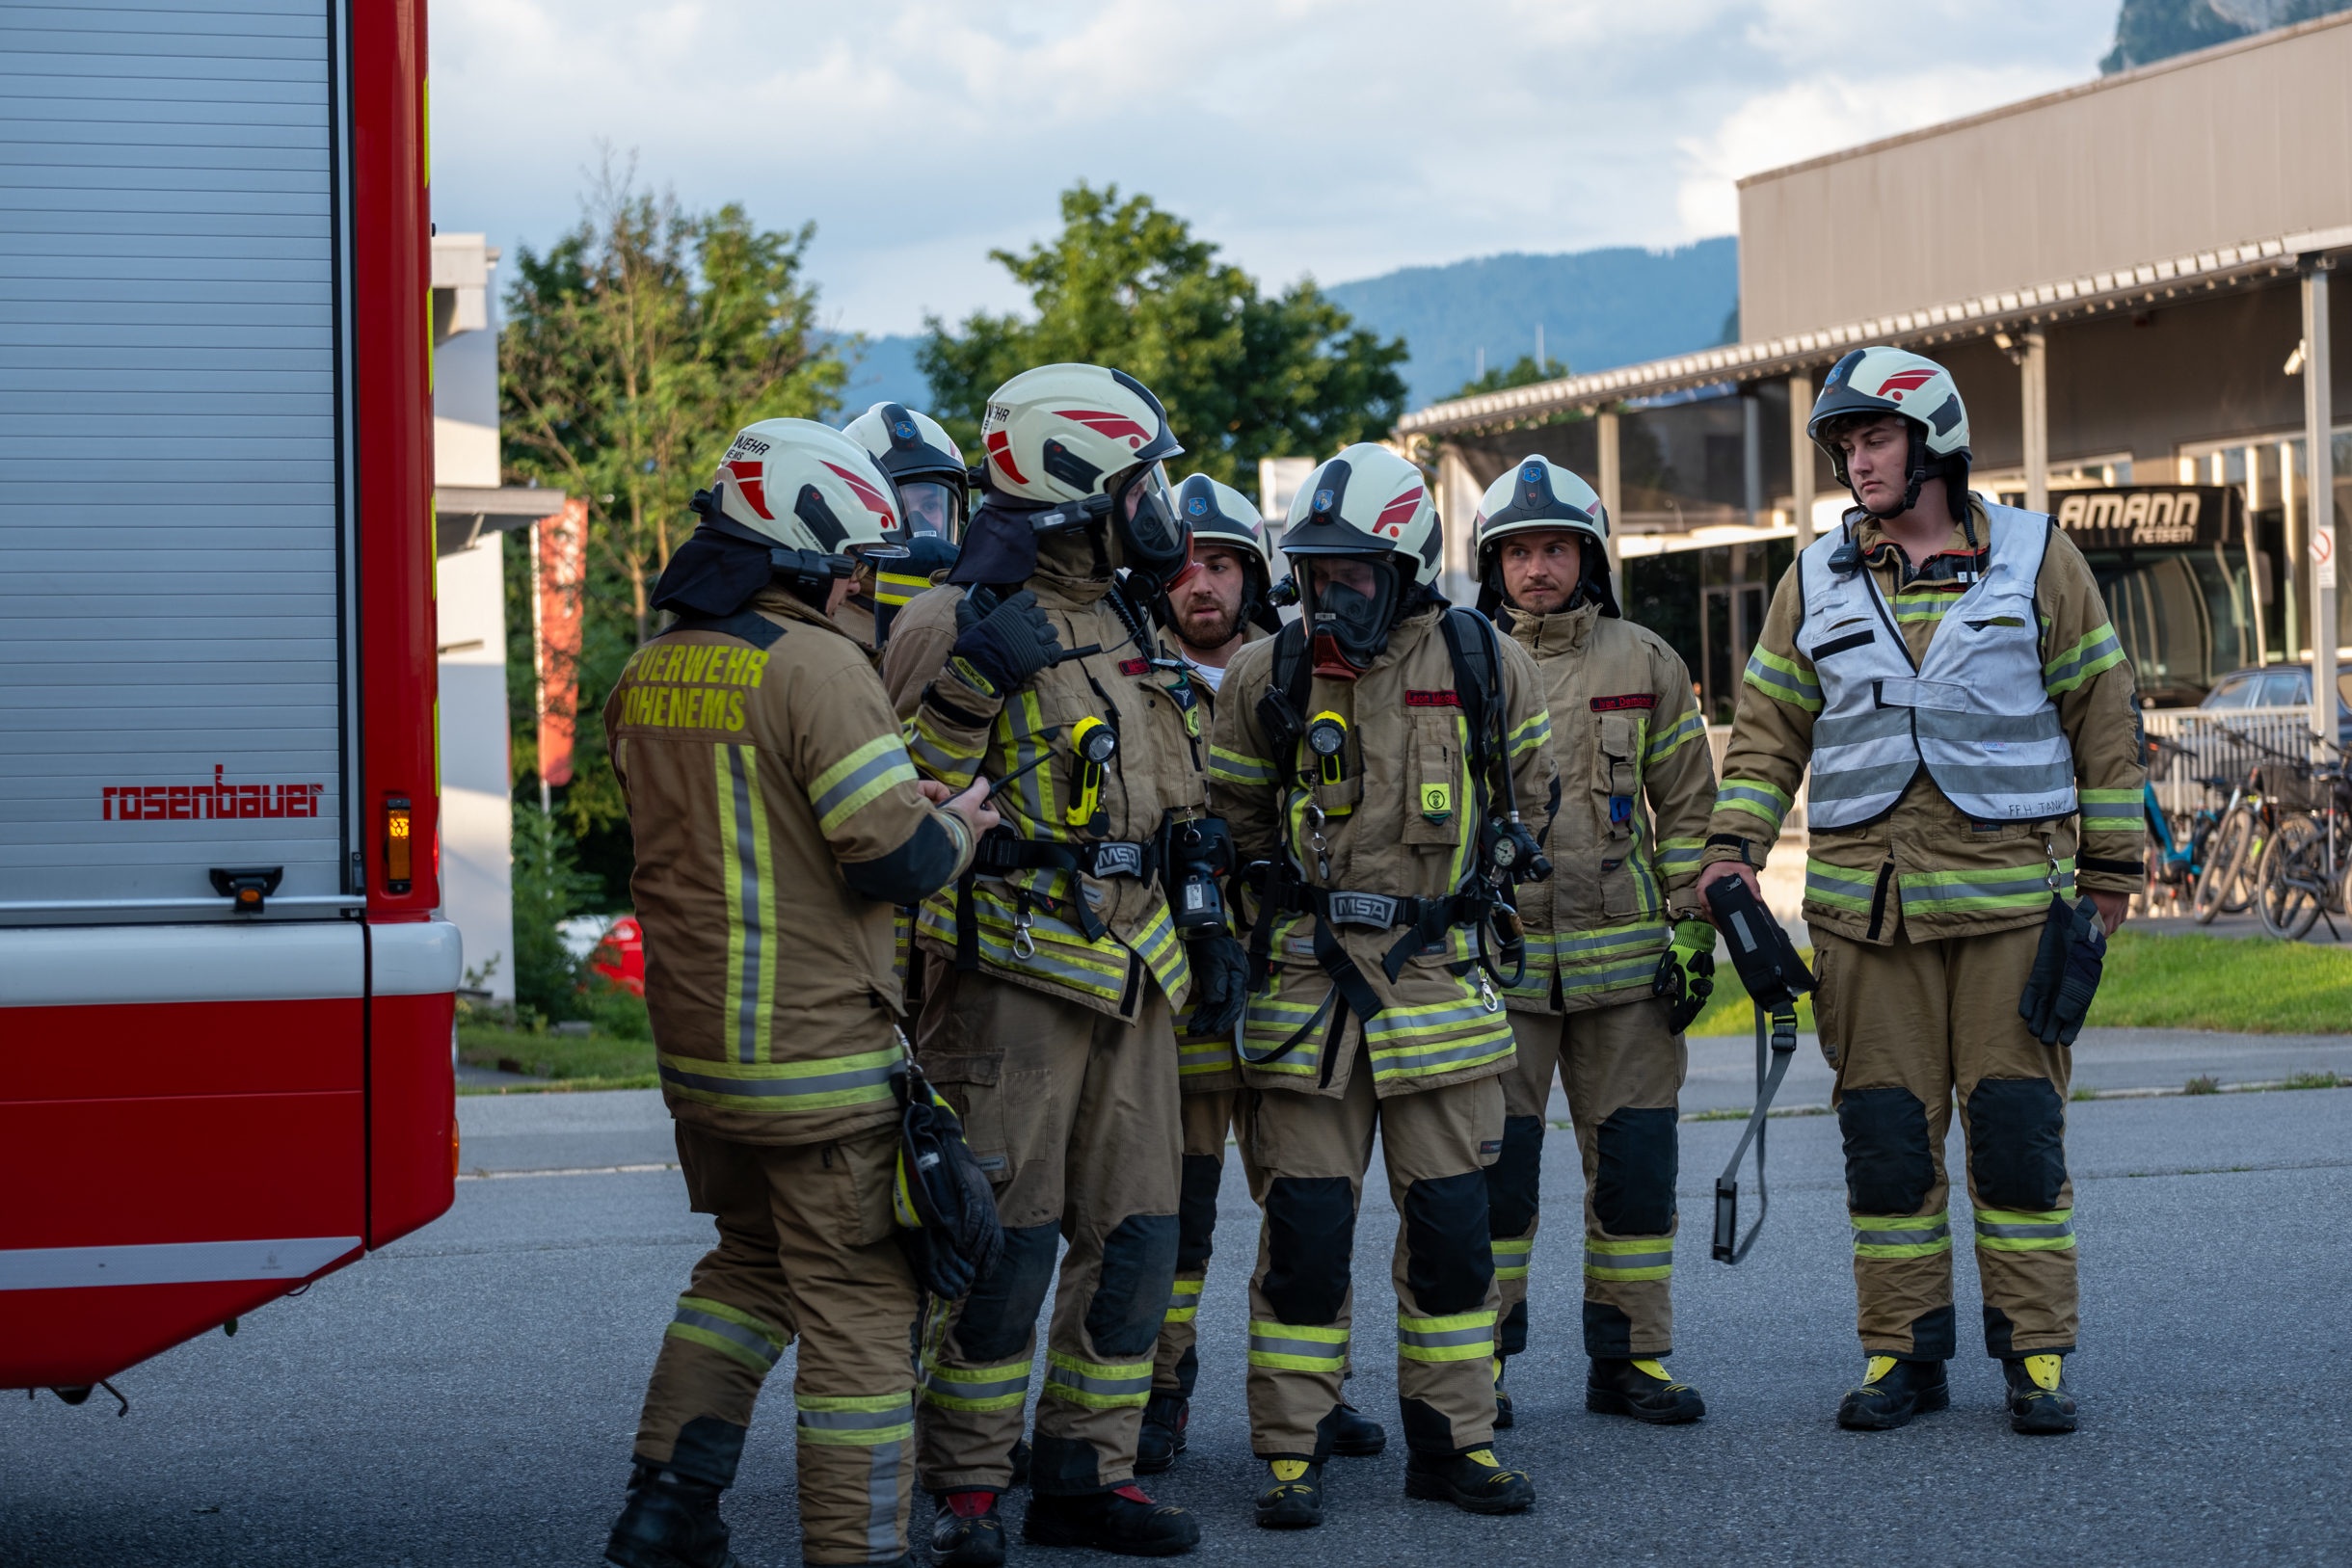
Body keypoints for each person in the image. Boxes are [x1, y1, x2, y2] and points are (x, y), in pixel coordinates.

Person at [1697, 347, 2145, 1436]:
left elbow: (2103, 715)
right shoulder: (1812, 577)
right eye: (1846, 446)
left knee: (2017, 1135)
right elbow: (1766, 731)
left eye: (1876, 438)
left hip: (2011, 908)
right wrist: (1731, 850)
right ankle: (1902, 1353)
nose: (1858, 462)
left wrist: (2111, 874)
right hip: (1868, 916)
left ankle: (2035, 1354)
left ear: (1934, 441)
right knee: (1888, 1142)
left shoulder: (2038, 556)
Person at [600, 417, 1001, 1568]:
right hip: (818, 1061)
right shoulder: (816, 666)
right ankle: (852, 1549)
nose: (864, 589)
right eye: (856, 567)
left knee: (749, 1268)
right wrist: (961, 826)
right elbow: (895, 858)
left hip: (706, 1064)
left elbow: (758, 825)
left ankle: (666, 1509)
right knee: (863, 1309)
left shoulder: (649, 669)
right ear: (805, 555)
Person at [880, 364, 1249, 1562]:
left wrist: (1206, 917)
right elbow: (895, 811)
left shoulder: (1131, 614)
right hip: (1010, 982)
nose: (1160, 507)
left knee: (1136, 1236)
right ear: (1077, 488)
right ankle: (967, 1487)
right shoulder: (951, 619)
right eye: (1142, 482)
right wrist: (968, 689)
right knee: (1008, 1240)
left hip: (1138, 974)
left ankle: (1088, 1472)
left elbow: (1172, 782)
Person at [1209, 443, 1555, 1528]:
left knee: (1453, 1235)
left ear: (1404, 567)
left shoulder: (1485, 659)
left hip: (1438, 991)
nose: (1331, 596)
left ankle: (1455, 1443)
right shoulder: (1265, 673)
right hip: (1305, 997)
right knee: (1305, 1237)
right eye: (1315, 575)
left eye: (1353, 573)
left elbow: (1531, 795)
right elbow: (1233, 824)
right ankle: (1291, 1448)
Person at [1135, 475, 1388, 1475]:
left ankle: (1317, 1396)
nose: (1202, 582)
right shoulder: (1125, 673)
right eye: (1184, 565)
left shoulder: (1310, 668)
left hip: (1292, 981)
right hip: (1185, 990)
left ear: (1255, 575)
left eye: (1224, 563)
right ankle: (1158, 1395)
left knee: (1309, 1205)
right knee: (1177, 1211)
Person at [1470, 456, 1718, 1429]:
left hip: (1629, 977)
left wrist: (1693, 929)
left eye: (1556, 549)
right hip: (1502, 973)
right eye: (1518, 552)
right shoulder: (1460, 661)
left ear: (1591, 558)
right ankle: (1477, 1366)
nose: (1537, 568)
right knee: (1494, 1175)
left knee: (1636, 1169)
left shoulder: (1645, 661)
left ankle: (1631, 1357)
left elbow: (1689, 809)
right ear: (1492, 565)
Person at [836, 401, 968, 653]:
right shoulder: (834, 628)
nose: (917, 524)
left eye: (930, 506)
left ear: (959, 513)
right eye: (897, 509)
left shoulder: (977, 608)